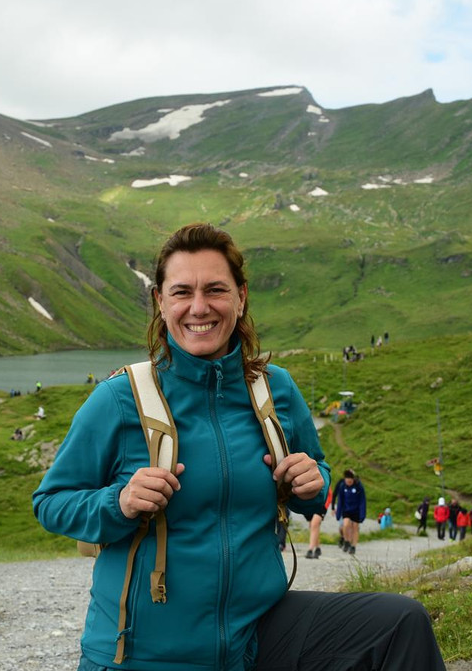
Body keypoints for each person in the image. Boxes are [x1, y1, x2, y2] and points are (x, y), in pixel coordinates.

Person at [34, 223, 445, 671]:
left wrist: (313, 482)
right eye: (181, 292)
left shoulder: (275, 391)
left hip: (256, 634)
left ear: (241, 297)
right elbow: (51, 502)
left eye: (215, 290)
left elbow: (316, 476)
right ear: (160, 302)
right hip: (146, 652)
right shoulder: (119, 398)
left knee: (401, 622)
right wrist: (120, 501)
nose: (199, 308)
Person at [334, 469, 367, 554]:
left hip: (356, 510)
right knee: (346, 524)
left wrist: (362, 514)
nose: (348, 481)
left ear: (353, 479)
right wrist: (338, 513)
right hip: (346, 509)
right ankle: (347, 541)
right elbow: (340, 500)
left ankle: (353, 546)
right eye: (347, 479)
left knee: (355, 527)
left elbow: (362, 500)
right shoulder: (342, 486)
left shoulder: (358, 486)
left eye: (350, 479)